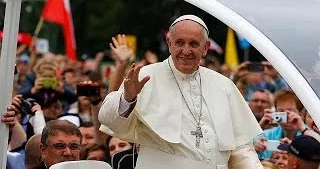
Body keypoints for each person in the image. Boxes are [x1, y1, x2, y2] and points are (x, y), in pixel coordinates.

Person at [98, 15, 263, 168]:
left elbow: (241, 150)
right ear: (170, 43)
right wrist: (127, 98)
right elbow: (108, 121)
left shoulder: (224, 85)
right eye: (179, 42)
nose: (186, 50)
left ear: (205, 48)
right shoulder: (145, 76)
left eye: (193, 44)